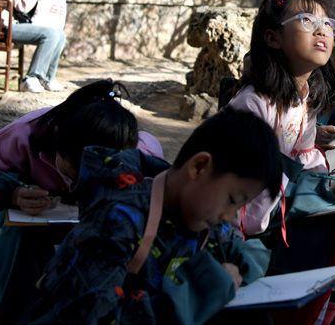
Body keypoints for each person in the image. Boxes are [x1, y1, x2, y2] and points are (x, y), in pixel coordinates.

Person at [31, 107, 282, 324]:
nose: (230, 216)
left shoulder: (203, 219)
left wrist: (247, 262)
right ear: (199, 167)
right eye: (232, 201)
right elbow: (90, 315)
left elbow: (233, 246)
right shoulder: (117, 219)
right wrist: (195, 296)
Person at [228, 0, 335, 325]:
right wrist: (327, 194)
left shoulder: (302, 100)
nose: (322, 29)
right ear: (273, 37)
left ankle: (330, 311)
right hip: (245, 233)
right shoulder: (252, 106)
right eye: (307, 20)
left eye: (328, 23)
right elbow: (250, 211)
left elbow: (307, 161)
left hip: (282, 217)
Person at [0, 79, 163, 325]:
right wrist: (12, 192)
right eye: (74, 171)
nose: (81, 182)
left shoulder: (140, 153)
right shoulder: (25, 134)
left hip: (102, 224)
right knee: (18, 242)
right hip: (35, 223)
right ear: (57, 140)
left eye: (96, 174)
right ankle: (16, 315)